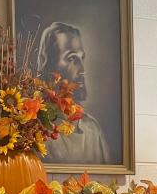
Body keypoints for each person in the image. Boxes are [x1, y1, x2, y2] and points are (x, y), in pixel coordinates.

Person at [36, 22, 111, 166]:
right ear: (50, 65)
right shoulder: (36, 130)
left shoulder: (92, 130)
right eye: (71, 59)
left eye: (81, 58)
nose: (82, 69)